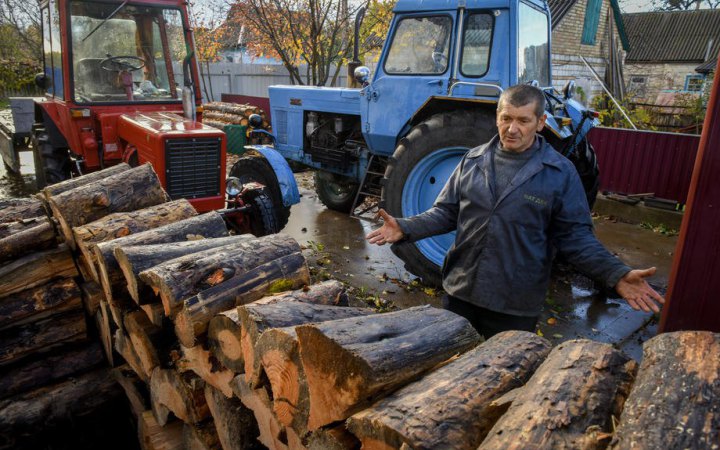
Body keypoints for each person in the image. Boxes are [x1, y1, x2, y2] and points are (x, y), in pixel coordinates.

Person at [366, 84, 664, 338]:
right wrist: (406, 227)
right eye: (506, 118)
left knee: (502, 377)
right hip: (461, 293)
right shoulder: (473, 159)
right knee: (450, 372)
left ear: (540, 121)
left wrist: (615, 274)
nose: (512, 129)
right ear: (497, 116)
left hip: (514, 305)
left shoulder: (559, 173)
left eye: (523, 120)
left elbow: (576, 238)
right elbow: (446, 212)